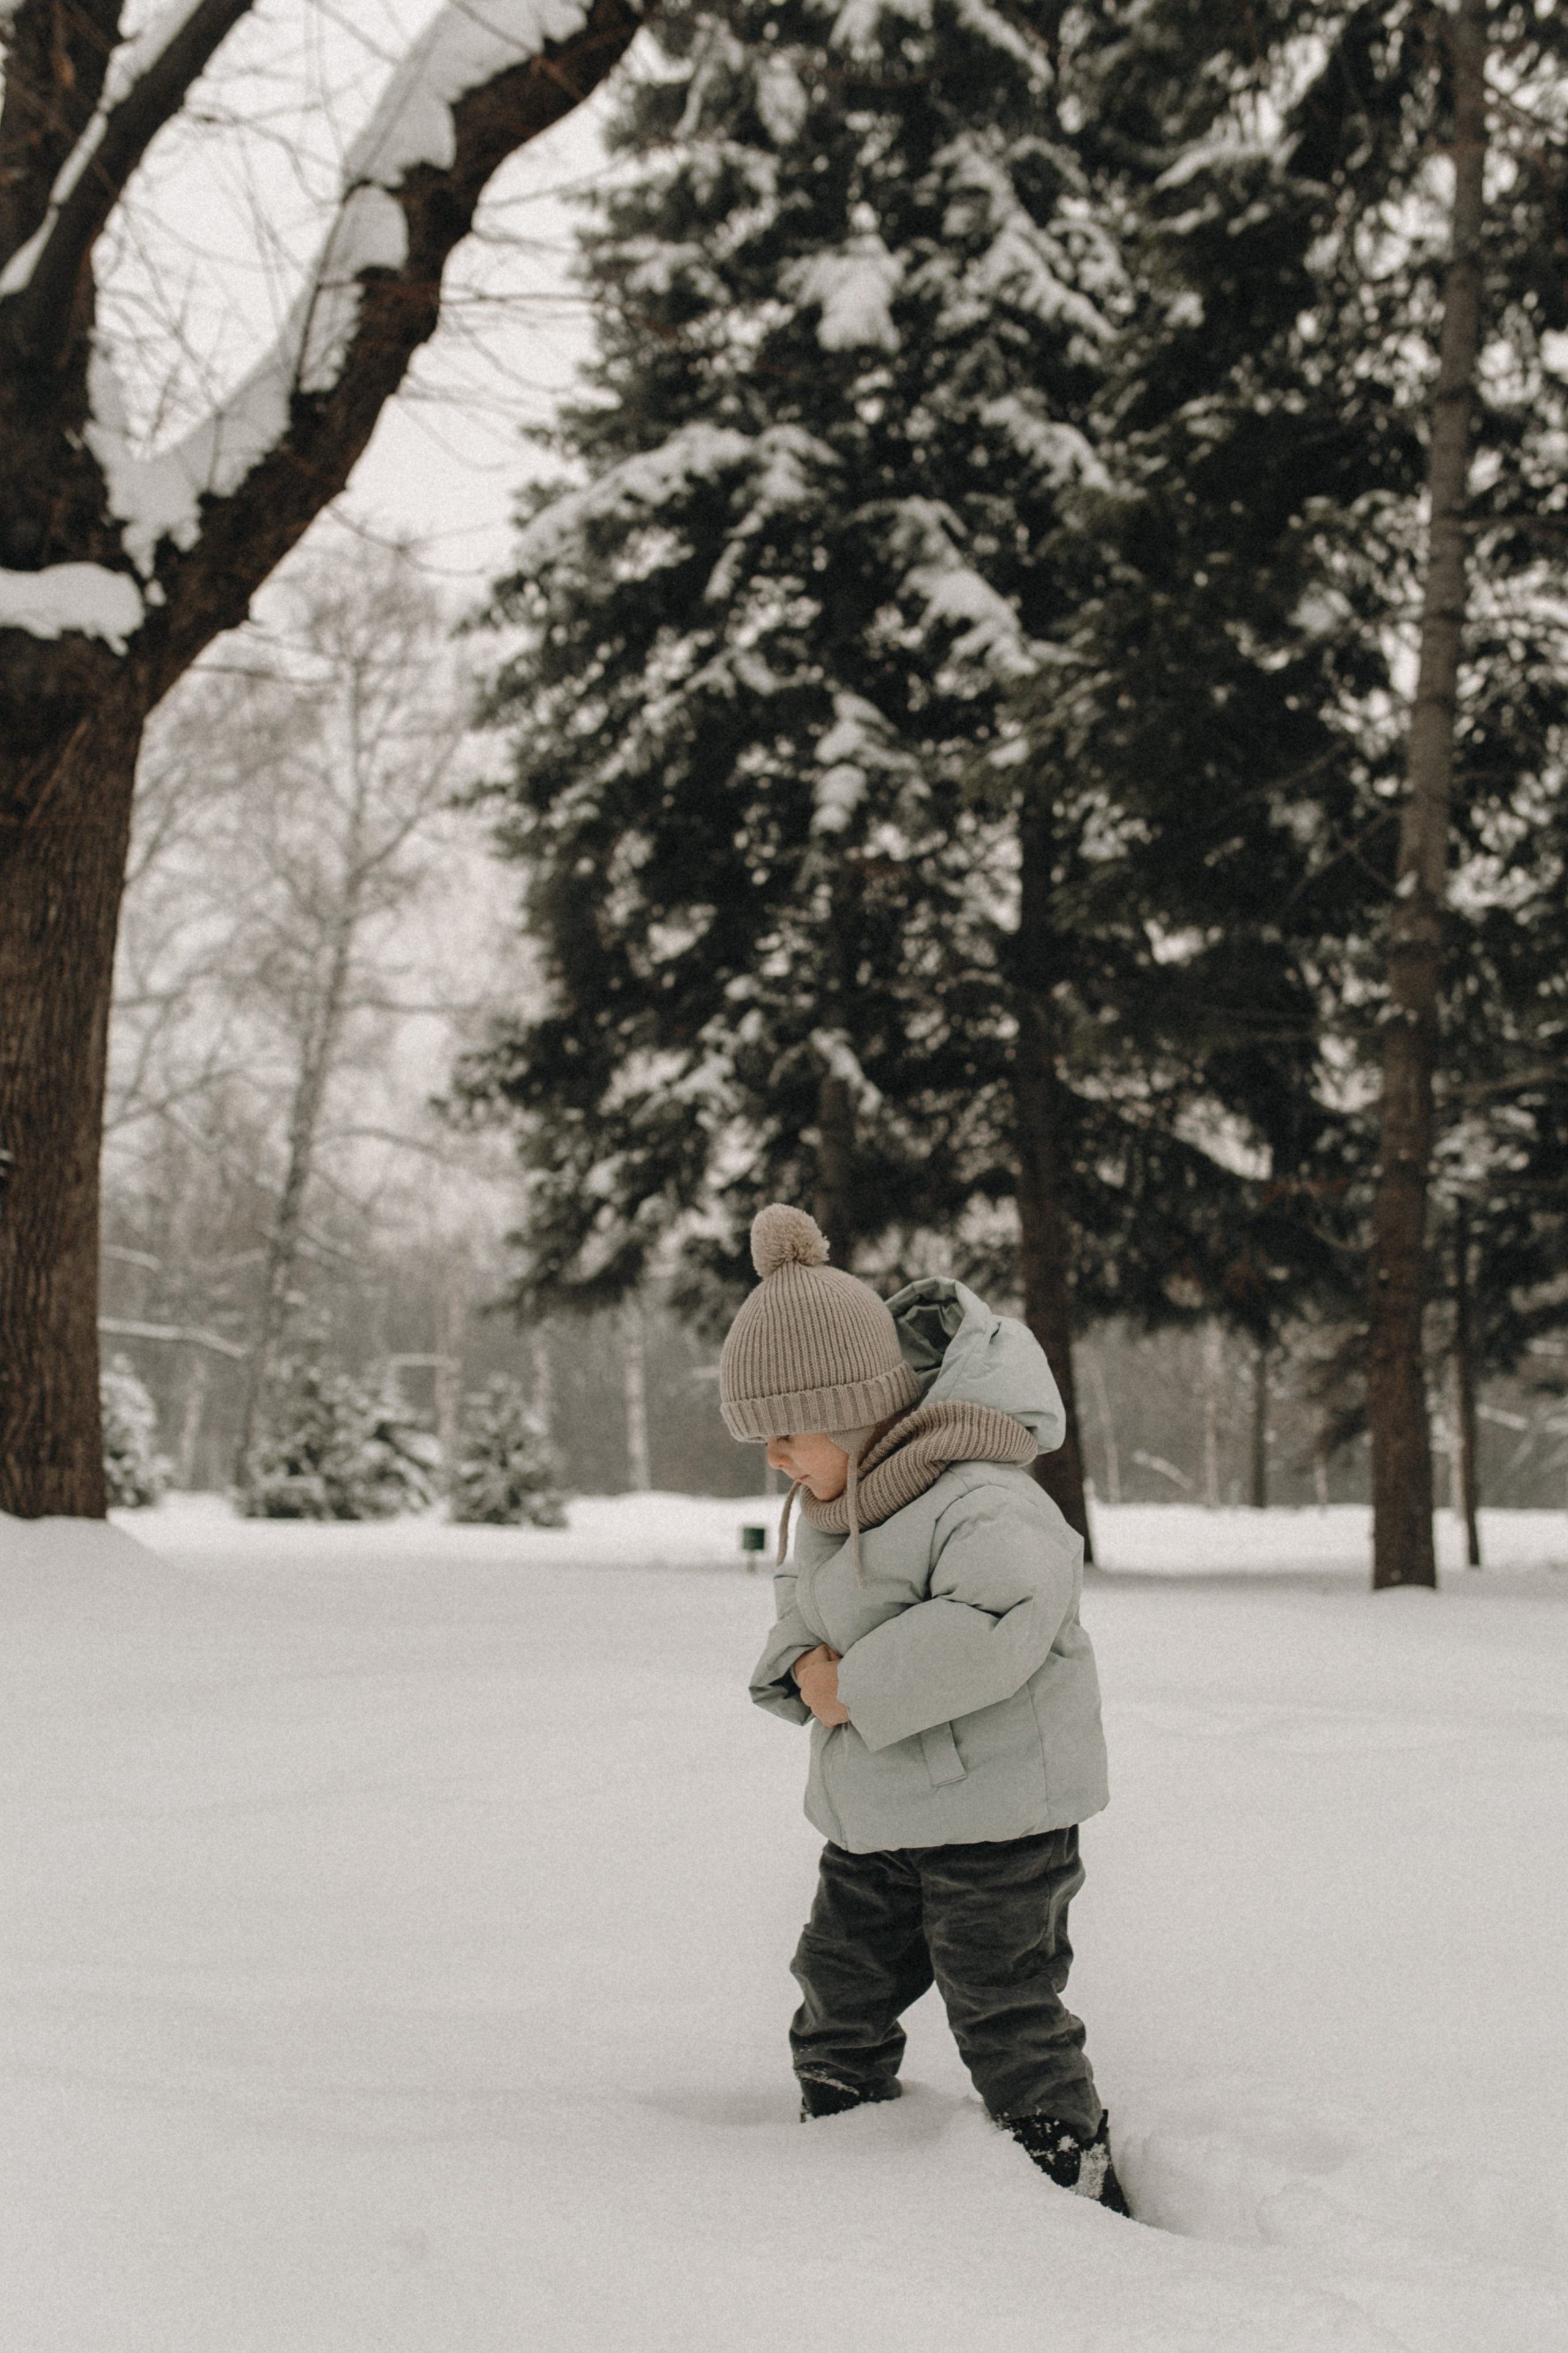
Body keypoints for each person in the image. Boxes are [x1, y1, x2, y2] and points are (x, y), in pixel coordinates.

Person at [720, 1201, 1128, 2213]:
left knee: (1000, 2001)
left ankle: (1067, 2167)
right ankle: (844, 2137)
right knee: (838, 1983)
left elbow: (998, 1615)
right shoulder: (833, 1508)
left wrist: (852, 1685)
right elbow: (805, 1607)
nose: (775, 1457)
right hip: (881, 1820)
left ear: (852, 1406)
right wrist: (799, 1668)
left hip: (998, 1824)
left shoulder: (979, 1495)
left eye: (786, 1431)